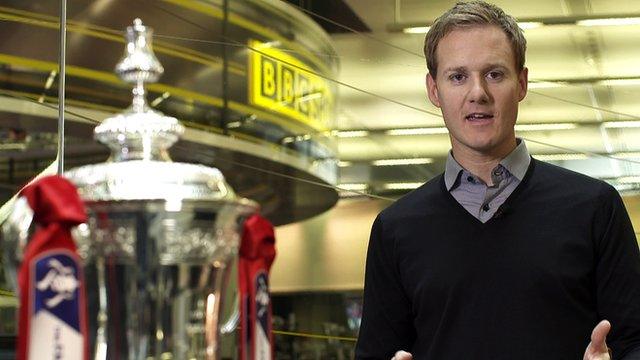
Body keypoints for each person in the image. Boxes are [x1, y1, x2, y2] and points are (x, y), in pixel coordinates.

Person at [354, 1, 640, 359]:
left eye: (494, 74)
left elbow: (634, 340)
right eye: (458, 76)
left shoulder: (595, 208)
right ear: (434, 90)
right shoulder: (395, 230)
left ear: (521, 83)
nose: (478, 93)